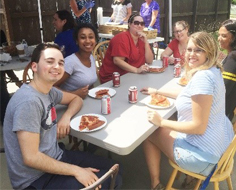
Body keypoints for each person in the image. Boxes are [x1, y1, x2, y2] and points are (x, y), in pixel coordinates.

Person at [2, 43, 121, 189]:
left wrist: (66, 117)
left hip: (57, 156)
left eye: (61, 63)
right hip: (35, 180)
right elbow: (31, 158)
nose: (57, 66)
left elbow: (76, 99)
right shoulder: (29, 102)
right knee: (108, 181)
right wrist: (77, 171)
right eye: (50, 61)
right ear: (34, 67)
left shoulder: (49, 91)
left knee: (114, 169)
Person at [140, 32, 233, 190]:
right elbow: (191, 96)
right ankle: (189, 177)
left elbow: (198, 127)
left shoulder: (202, 78)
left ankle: (155, 184)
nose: (191, 54)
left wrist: (161, 122)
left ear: (209, 52)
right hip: (219, 146)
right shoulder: (213, 71)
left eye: (198, 50)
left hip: (204, 158)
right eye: (189, 49)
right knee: (166, 127)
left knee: (150, 132)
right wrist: (158, 91)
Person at [98, 14, 154, 84]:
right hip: (115, 78)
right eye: (136, 23)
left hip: (132, 75)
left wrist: (146, 41)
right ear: (130, 24)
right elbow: (117, 60)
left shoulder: (141, 39)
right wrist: (136, 70)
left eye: (142, 24)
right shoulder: (122, 38)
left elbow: (149, 61)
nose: (139, 26)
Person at [54, 24, 98, 99]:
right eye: (83, 37)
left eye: (91, 37)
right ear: (77, 41)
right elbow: (51, 87)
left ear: (96, 41)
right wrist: (74, 94)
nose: (87, 41)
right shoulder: (70, 62)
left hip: (85, 101)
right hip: (67, 103)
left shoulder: (90, 57)